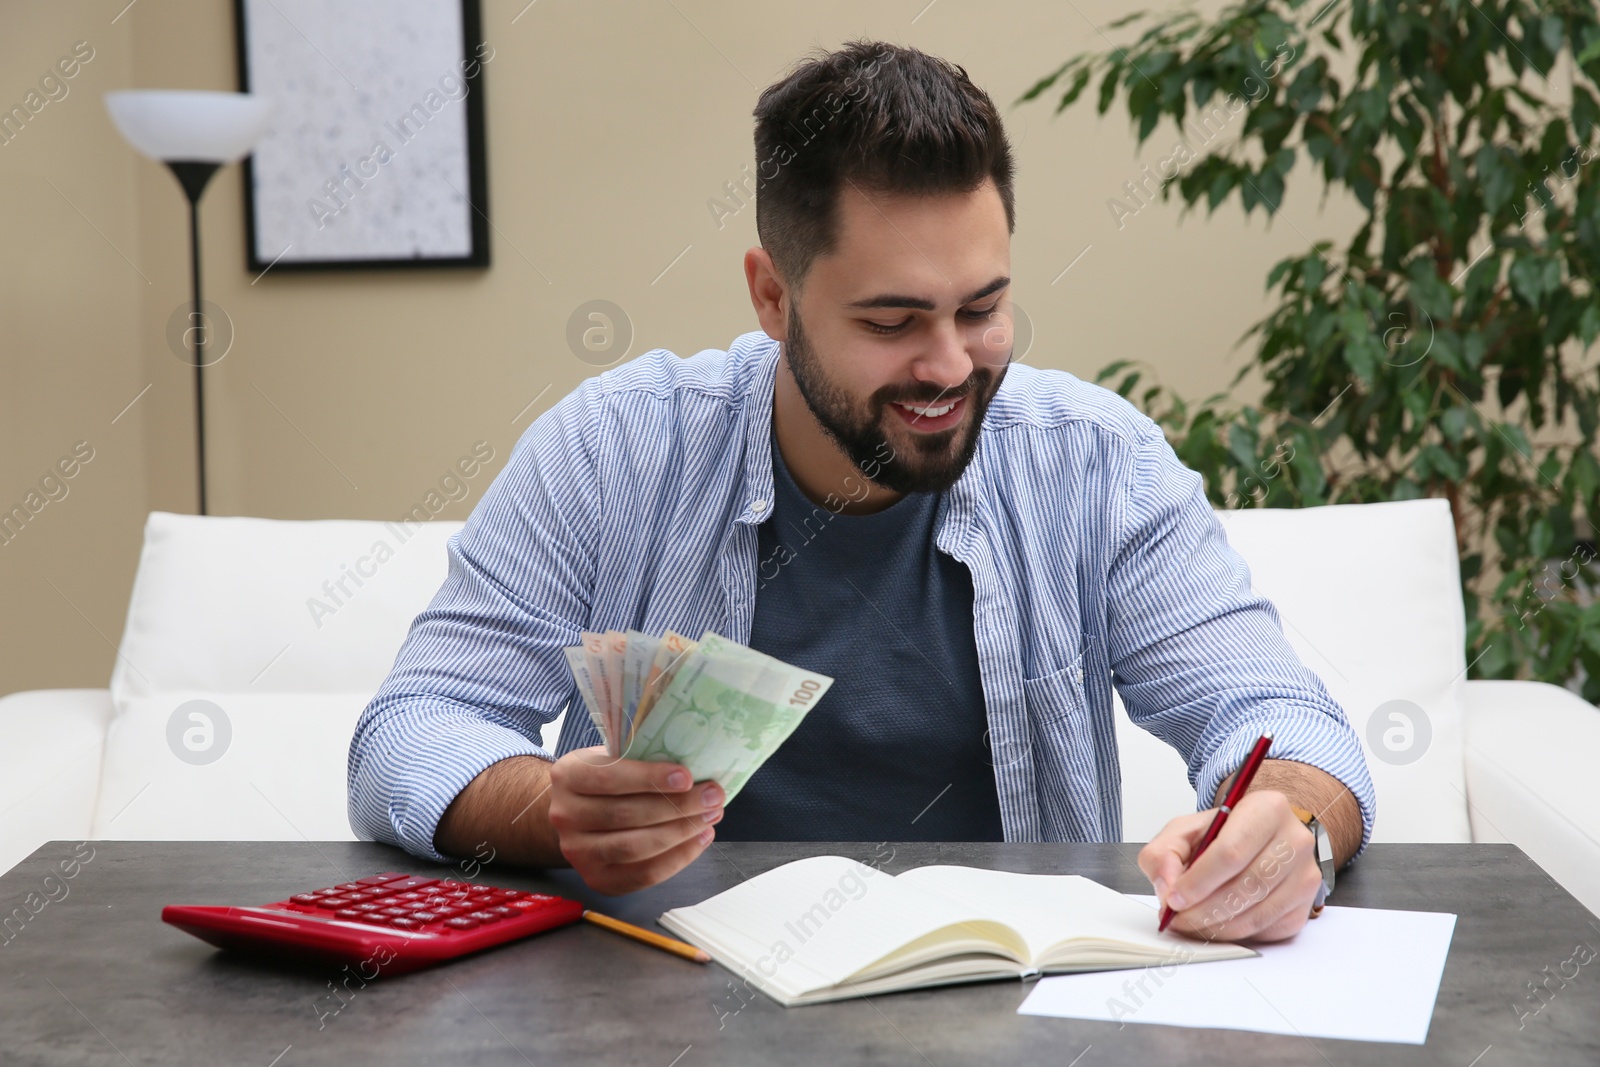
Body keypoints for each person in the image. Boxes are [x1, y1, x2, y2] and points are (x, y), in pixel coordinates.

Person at [349, 39, 1374, 943]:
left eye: (982, 307)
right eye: (891, 322)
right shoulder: (614, 448)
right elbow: (412, 726)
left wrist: (1289, 828)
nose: (947, 365)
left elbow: (1282, 717)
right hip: (655, 1007)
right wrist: (551, 810)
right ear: (770, 295)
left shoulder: (1097, 465)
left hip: (1007, 1011)